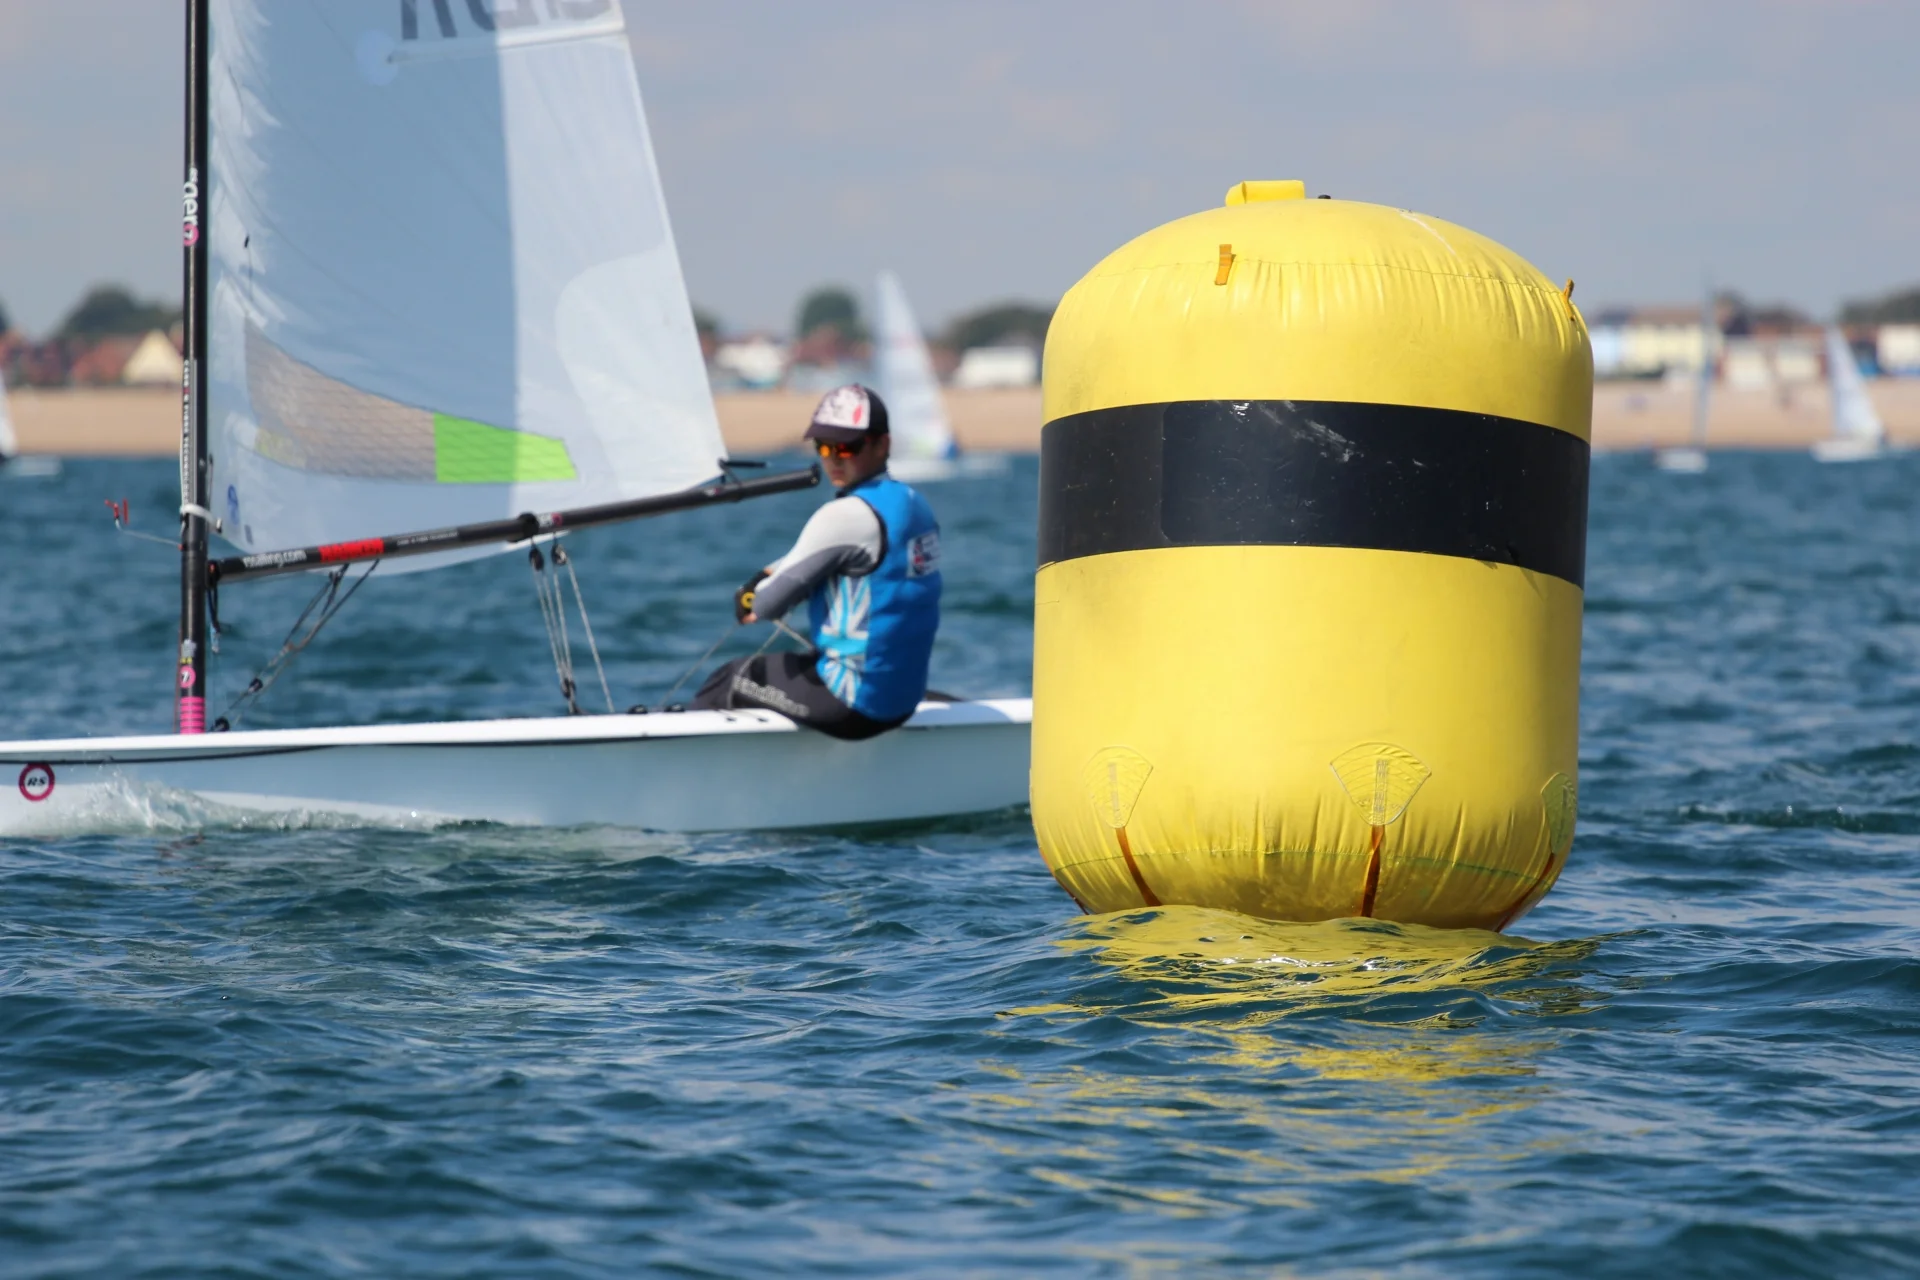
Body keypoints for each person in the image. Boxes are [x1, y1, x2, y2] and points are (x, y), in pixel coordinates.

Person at [691, 384, 941, 739]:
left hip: (853, 708)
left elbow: (765, 605)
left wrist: (750, 596)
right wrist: (768, 574)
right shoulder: (915, 505)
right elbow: (847, 556)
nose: (833, 458)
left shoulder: (843, 515)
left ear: (881, 445)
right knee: (802, 662)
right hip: (903, 700)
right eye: (823, 446)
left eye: (847, 446)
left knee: (731, 677)